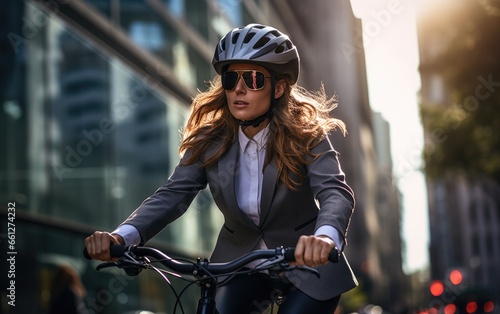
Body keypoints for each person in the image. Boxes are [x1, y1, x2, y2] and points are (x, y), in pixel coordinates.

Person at [85, 23, 358, 313]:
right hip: (240, 263)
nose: (239, 89)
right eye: (231, 79)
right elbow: (173, 195)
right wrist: (122, 236)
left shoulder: (306, 134)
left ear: (278, 88)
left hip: (308, 264)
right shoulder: (209, 141)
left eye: (253, 79)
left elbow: (335, 192)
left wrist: (324, 238)